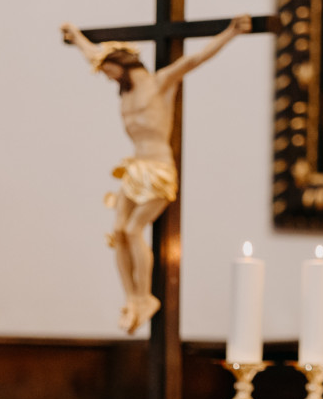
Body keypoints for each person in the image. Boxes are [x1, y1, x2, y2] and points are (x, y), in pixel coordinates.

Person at [61, 17, 251, 333]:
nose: (107, 77)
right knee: (119, 231)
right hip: (135, 167)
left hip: (159, 168)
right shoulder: (124, 92)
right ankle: (132, 298)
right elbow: (94, 55)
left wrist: (231, 32)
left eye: (109, 70)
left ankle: (146, 295)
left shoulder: (159, 82)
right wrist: (77, 37)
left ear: (122, 63)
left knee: (135, 228)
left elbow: (195, 59)